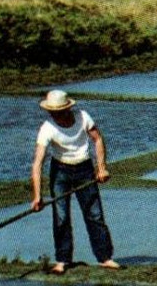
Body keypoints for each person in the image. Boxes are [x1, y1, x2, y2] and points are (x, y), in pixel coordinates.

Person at [31, 89, 119, 273]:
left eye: (59, 111)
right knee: (61, 216)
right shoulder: (47, 128)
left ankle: (105, 257)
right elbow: (38, 163)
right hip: (60, 171)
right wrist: (37, 196)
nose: (55, 115)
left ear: (67, 108)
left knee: (94, 214)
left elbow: (98, 139)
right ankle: (62, 260)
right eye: (52, 112)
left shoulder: (83, 117)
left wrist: (101, 168)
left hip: (84, 168)